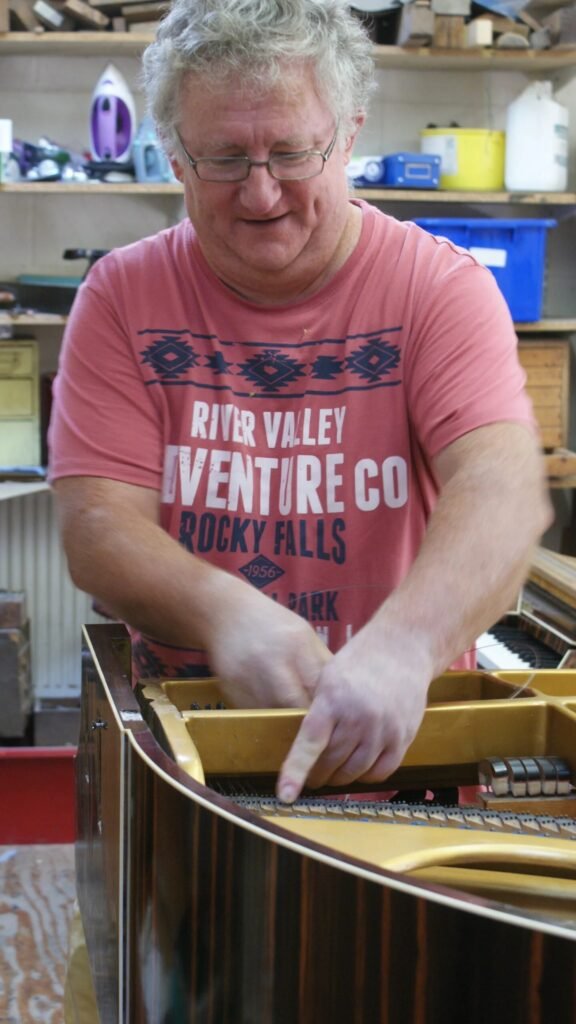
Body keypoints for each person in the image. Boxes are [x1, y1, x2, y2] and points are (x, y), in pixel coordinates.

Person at [49, 0, 551, 813]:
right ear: (175, 157)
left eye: (290, 153)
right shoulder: (121, 295)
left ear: (348, 136)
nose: (259, 194)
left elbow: (501, 489)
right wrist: (221, 610)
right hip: (195, 743)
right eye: (222, 158)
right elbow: (97, 527)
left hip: (398, 744)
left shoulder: (438, 289)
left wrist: (404, 645)